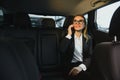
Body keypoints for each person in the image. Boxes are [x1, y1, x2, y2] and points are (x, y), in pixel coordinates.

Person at [60, 15, 92, 80]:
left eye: (80, 21)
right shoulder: (67, 36)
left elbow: (89, 56)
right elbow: (62, 50)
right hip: (70, 65)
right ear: (72, 24)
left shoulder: (88, 38)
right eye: (75, 21)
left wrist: (81, 67)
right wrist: (69, 34)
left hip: (83, 64)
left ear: (84, 25)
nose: (77, 23)